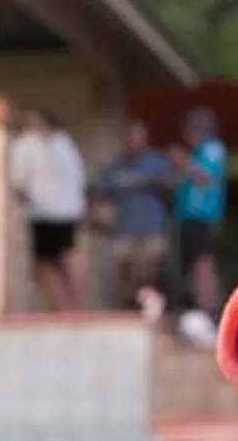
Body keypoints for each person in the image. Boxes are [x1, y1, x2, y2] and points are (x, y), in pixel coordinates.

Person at [92, 118, 178, 313]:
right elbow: (101, 192)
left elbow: (171, 187)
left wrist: (147, 181)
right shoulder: (114, 165)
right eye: (130, 136)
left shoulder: (157, 162)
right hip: (124, 227)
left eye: (138, 136)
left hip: (152, 225)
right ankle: (127, 308)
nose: (133, 140)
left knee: (149, 270)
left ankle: (149, 307)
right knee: (125, 270)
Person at [7, 105, 86, 311]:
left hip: (42, 211)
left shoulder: (25, 145)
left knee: (43, 264)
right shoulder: (65, 143)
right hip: (69, 210)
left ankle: (62, 306)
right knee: (67, 255)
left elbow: (17, 181)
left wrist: (23, 203)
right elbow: (79, 176)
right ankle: (75, 304)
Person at [171, 105, 228, 319]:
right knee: (191, 264)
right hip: (187, 217)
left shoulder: (212, 149)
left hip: (203, 216)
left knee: (203, 263)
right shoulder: (197, 152)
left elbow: (205, 177)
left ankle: (208, 307)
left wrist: (182, 161)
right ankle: (194, 305)